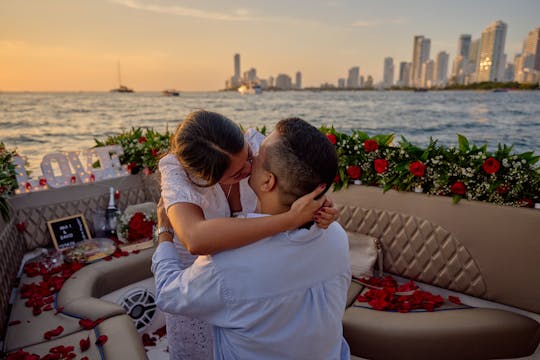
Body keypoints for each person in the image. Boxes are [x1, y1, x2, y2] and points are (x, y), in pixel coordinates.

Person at [153, 117, 351, 359]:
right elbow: (195, 237)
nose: (250, 163)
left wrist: (163, 230)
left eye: (253, 157)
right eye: (240, 169)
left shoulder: (225, 267)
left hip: (209, 285)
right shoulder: (337, 237)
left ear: (268, 181)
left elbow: (168, 294)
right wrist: (294, 216)